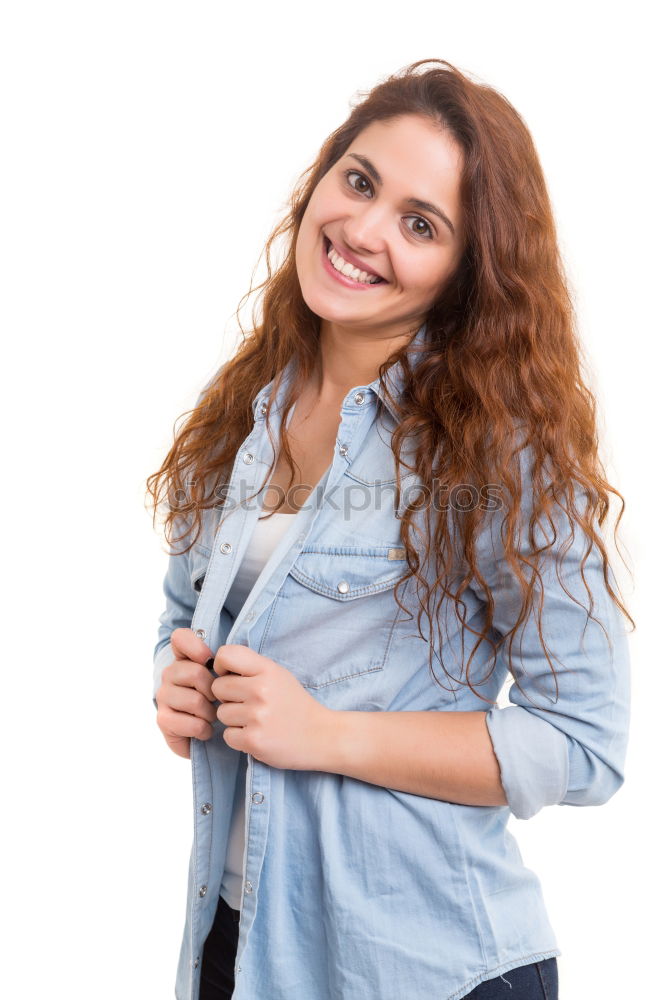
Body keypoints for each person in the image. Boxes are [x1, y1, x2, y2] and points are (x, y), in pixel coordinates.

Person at [145, 58, 633, 1000]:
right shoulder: (244, 412)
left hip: (422, 967)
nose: (363, 231)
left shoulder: (498, 449)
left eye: (421, 223)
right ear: (323, 177)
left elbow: (583, 742)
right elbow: (179, 616)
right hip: (238, 946)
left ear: (464, 269)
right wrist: (174, 687)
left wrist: (327, 734)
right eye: (360, 181)